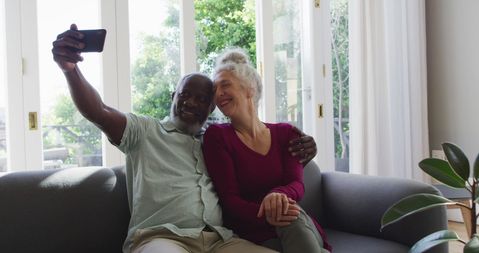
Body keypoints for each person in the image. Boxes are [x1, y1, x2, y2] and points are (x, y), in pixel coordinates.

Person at [52, 24, 317, 253]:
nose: (191, 102)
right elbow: (99, 111)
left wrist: (305, 149)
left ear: (211, 108)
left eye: (203, 99)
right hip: (163, 239)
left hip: (219, 240)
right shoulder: (145, 132)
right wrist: (70, 70)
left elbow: (265, 163)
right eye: (185, 94)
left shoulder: (216, 141)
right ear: (173, 96)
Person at [202, 48, 332, 253]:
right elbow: (231, 201)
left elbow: (297, 184)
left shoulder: (286, 133)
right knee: (289, 215)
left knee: (290, 214)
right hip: (252, 232)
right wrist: (271, 211)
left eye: (225, 85)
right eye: (215, 89)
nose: (218, 94)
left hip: (293, 223)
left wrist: (277, 195)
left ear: (249, 89)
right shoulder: (217, 137)